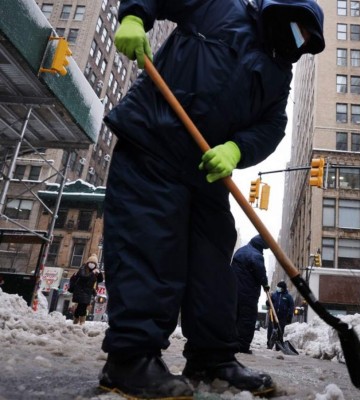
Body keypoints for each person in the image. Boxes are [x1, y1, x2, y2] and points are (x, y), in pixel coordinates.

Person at [99, 0, 325, 398]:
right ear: (280, 10)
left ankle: (212, 357)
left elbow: (272, 125)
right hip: (154, 143)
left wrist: (237, 150)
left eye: (307, 41)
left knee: (213, 264)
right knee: (151, 248)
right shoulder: (221, 6)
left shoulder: (279, 72)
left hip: (206, 170)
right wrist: (135, 15)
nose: (299, 43)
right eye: (299, 30)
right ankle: (130, 359)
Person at [231, 235, 270, 354]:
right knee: (247, 319)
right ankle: (242, 345)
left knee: (235, 317)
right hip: (248, 293)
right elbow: (260, 273)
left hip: (234, 290)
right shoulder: (256, 255)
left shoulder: (240, 250)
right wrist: (265, 284)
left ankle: (231, 343)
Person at [69, 254, 103, 325]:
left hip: (88, 292)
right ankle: (81, 322)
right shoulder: (83, 268)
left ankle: (76, 320)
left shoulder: (95, 271)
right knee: (83, 306)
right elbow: (84, 277)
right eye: (91, 262)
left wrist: (99, 273)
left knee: (81, 306)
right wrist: (92, 273)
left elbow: (100, 280)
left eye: (94, 263)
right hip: (80, 290)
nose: (92, 264)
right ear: (88, 263)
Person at [267, 281, 294, 346]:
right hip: (273, 316)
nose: (277, 288)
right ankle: (269, 343)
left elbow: (291, 306)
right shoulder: (274, 295)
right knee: (270, 330)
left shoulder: (288, 297)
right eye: (277, 287)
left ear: (283, 288)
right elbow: (269, 303)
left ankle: (278, 346)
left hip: (282, 317)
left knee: (280, 331)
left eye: (279, 287)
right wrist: (268, 302)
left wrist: (289, 315)